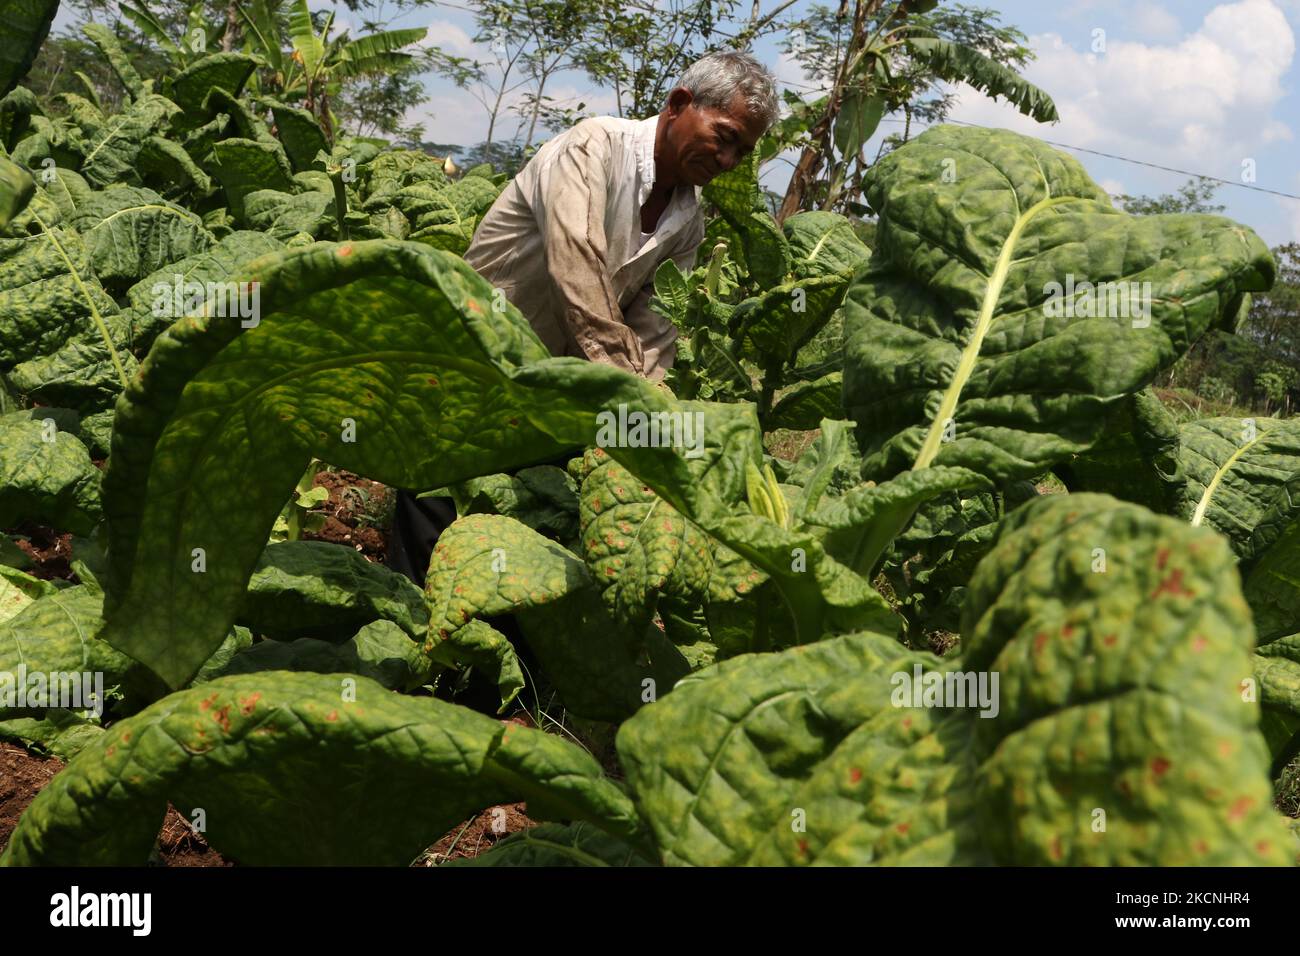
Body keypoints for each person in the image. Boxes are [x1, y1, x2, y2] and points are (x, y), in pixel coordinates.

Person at [387, 50, 780, 585]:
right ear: (679, 103)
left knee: (526, 526)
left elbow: (658, 322)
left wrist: (644, 405)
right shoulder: (592, 147)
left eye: (744, 150)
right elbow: (576, 265)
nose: (730, 161)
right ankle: (413, 642)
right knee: (435, 498)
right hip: (473, 352)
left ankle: (493, 649)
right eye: (726, 136)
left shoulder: (689, 219)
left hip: (558, 381)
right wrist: (628, 392)